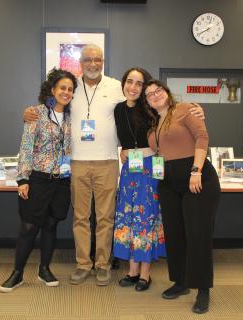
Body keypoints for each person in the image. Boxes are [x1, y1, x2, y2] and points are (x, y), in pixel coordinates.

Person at [24, 44, 205, 286]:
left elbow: (153, 103)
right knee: (80, 217)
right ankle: (82, 264)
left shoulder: (116, 87)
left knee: (106, 217)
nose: (92, 63)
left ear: (103, 61)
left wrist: (193, 107)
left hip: (108, 162)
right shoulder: (72, 86)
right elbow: (50, 102)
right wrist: (30, 112)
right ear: (81, 62)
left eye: (97, 59)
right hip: (77, 162)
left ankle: (102, 264)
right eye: (88, 59)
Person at [145, 79, 220, 314]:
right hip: (168, 183)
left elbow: (202, 138)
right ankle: (181, 282)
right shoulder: (154, 124)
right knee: (175, 234)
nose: (155, 95)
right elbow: (157, 151)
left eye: (158, 91)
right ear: (147, 101)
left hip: (195, 179)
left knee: (198, 234)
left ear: (166, 93)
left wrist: (196, 171)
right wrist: (129, 154)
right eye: (149, 94)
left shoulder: (185, 109)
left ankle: (203, 289)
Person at [0, 68, 77, 293]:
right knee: (29, 226)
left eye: (70, 89)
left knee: (51, 224)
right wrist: (23, 179)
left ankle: (44, 269)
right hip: (38, 179)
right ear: (52, 89)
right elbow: (25, 147)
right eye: (62, 87)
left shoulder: (73, 116)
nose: (66, 92)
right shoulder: (37, 113)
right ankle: (17, 273)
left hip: (62, 179)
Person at [112, 67, 166, 292]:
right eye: (129, 82)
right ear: (123, 84)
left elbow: (171, 116)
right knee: (128, 217)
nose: (133, 87)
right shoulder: (117, 109)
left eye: (138, 83)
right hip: (128, 170)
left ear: (144, 88)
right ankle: (132, 271)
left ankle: (145, 274)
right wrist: (123, 150)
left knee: (147, 218)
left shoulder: (150, 109)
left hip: (152, 166)